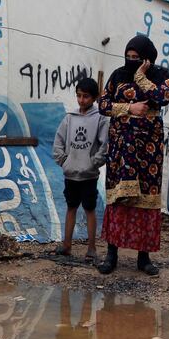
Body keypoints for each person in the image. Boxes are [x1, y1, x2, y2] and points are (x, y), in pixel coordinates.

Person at [97, 35, 169, 275]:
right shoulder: (118, 75)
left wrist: (141, 76)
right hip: (120, 147)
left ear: (147, 58)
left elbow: (163, 97)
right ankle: (111, 255)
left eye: (136, 58)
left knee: (146, 199)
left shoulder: (162, 75)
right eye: (128, 57)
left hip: (148, 149)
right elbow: (103, 104)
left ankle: (144, 257)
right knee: (118, 199)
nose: (131, 61)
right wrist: (129, 108)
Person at [52, 77, 109, 261]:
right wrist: (64, 161)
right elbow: (59, 140)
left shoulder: (100, 118)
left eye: (85, 96)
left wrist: (94, 162)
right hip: (71, 173)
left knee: (89, 209)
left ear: (94, 98)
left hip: (88, 175)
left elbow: (104, 144)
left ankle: (91, 248)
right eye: (78, 96)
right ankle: (66, 245)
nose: (81, 100)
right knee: (71, 207)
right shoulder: (70, 117)